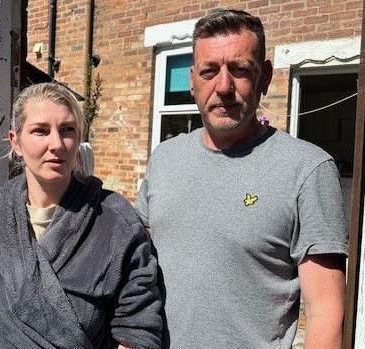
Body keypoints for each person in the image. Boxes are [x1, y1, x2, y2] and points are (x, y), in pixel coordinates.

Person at [136, 9, 347, 349]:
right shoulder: (164, 159)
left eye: (239, 70)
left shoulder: (307, 170)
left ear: (264, 76)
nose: (223, 87)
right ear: (191, 80)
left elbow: (325, 313)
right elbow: (136, 269)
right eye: (209, 71)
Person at [0, 82, 163, 348]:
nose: (57, 144)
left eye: (67, 130)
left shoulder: (115, 222)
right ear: (16, 142)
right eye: (40, 131)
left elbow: (138, 329)